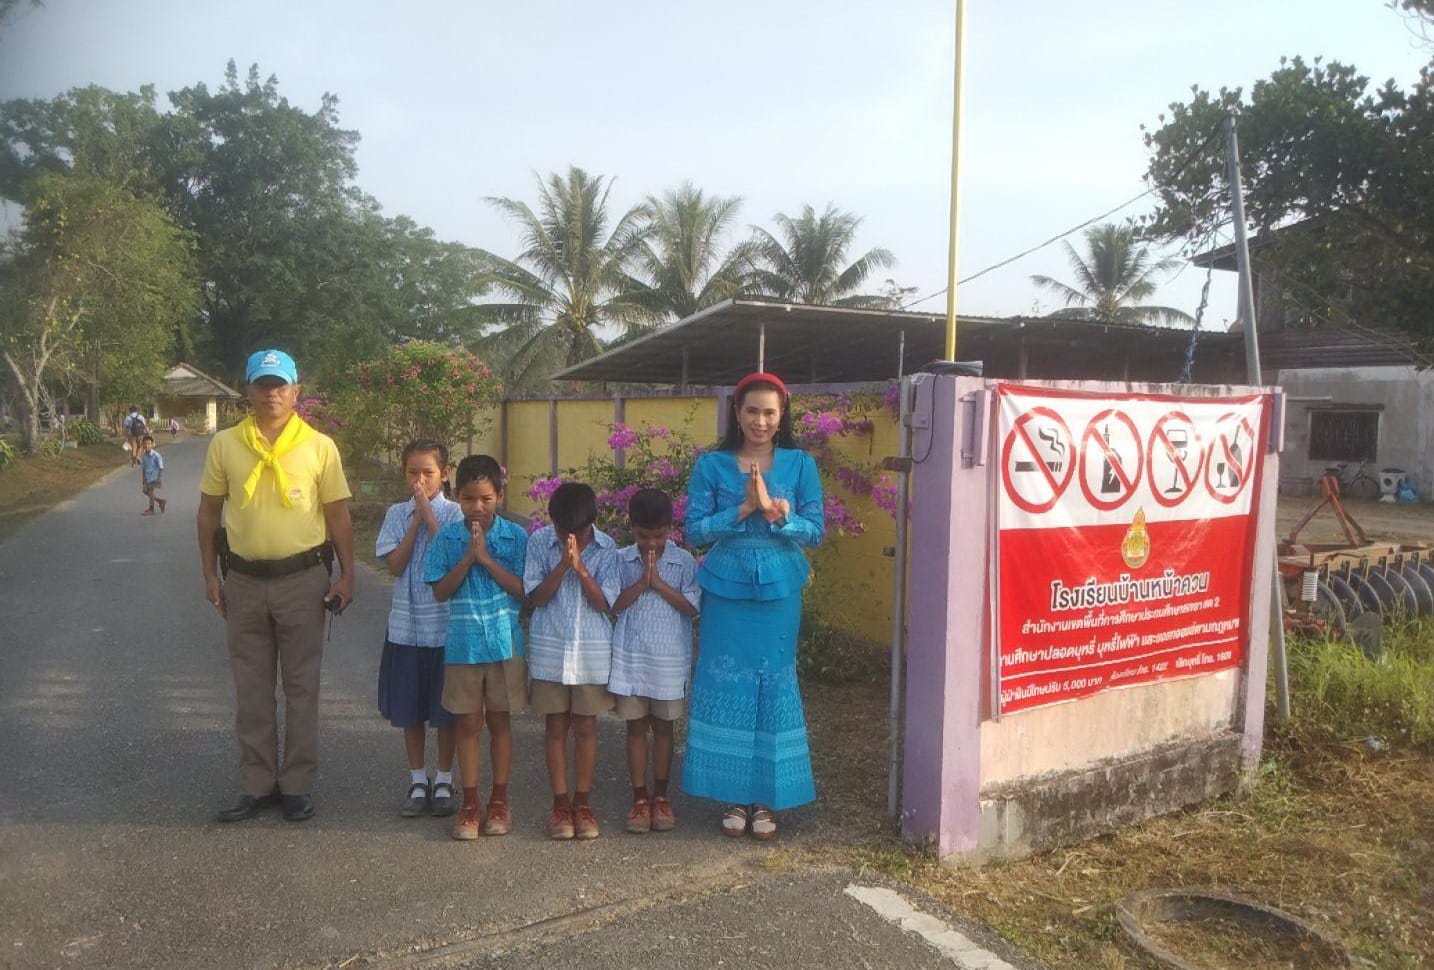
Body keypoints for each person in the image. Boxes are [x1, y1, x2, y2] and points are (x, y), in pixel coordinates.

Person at [197, 348, 355, 824]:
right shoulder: (225, 444)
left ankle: (297, 783)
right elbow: (209, 511)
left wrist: (348, 574)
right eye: (263, 385)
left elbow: (337, 514)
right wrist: (209, 574)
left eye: (280, 385)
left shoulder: (320, 446)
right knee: (251, 688)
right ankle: (256, 783)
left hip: (303, 581)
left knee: (302, 686)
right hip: (243, 581)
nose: (272, 393)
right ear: (248, 390)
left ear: (295, 391)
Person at [682, 372, 825, 840]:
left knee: (773, 684)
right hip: (726, 592)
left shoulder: (801, 465)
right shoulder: (711, 466)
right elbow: (694, 531)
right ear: (737, 413)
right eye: (751, 411)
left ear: (782, 416)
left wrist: (779, 514)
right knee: (727, 683)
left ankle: (766, 797)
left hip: (780, 593)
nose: (760, 421)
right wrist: (742, 510)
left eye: (769, 412)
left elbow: (816, 532)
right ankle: (732, 794)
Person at [424, 455, 528, 840]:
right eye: (468, 499)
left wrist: (486, 558)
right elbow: (440, 591)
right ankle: (470, 803)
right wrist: (468, 558)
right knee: (467, 724)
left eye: (486, 498)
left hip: (504, 644)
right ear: (456, 497)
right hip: (463, 647)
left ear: (499, 495)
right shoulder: (447, 539)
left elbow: (523, 589)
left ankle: (499, 800)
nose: (477, 507)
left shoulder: (516, 537)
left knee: (500, 722)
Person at [524, 482, 618, 841]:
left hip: (590, 653)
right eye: (562, 531)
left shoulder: (608, 548)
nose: (569, 538)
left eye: (576, 531)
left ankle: (583, 802)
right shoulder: (538, 542)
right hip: (550, 650)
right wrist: (562, 566)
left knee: (586, 727)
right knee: (555, 727)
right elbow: (537, 598)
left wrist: (580, 569)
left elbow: (604, 604)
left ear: (591, 523)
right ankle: (560, 804)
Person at [376, 440, 463, 819]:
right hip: (406, 628)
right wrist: (414, 520)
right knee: (409, 708)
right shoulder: (396, 513)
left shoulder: (457, 513)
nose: (420, 481)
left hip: (444, 629)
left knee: (446, 710)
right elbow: (394, 565)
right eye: (413, 473)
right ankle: (416, 779)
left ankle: (443, 778)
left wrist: (428, 515)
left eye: (428, 473)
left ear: (444, 474)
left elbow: (451, 558)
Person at [609, 488, 700, 834]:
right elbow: (613, 604)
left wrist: (658, 583)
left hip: (669, 661)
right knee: (635, 728)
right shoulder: (620, 560)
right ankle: (639, 797)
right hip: (632, 660)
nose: (651, 544)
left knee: (663, 728)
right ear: (631, 527)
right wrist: (641, 582)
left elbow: (691, 608)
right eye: (643, 535)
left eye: (659, 536)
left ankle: (661, 796)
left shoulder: (684, 562)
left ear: (671, 529)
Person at [138, 434, 167, 515]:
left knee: (150, 492)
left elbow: (161, 467)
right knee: (145, 491)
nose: (147, 445)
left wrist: (159, 478)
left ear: (152, 444)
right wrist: (143, 479)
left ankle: (151, 509)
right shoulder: (144, 456)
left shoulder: (156, 455)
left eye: (149, 443)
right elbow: (144, 468)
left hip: (154, 477)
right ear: (143, 445)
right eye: (145, 444)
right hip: (148, 477)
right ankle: (160, 501)